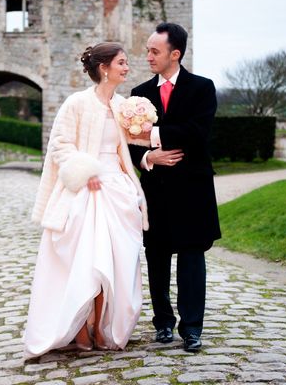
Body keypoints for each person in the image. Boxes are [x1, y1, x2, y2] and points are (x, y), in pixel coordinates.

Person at [24, 42, 149, 359]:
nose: (126, 67)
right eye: (121, 62)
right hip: (86, 190)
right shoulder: (76, 103)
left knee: (117, 260)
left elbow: (134, 140)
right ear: (104, 67)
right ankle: (79, 328)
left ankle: (101, 327)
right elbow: (60, 145)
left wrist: (152, 134)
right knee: (87, 262)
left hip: (118, 189)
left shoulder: (122, 105)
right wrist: (84, 171)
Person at [128, 22, 221, 352]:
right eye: (148, 50)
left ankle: (192, 328)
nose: (148, 56)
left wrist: (152, 135)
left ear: (175, 54)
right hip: (155, 189)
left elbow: (197, 133)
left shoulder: (202, 89)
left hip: (193, 190)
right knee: (156, 256)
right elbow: (129, 144)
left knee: (193, 257)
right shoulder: (138, 94)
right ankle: (163, 323)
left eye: (155, 51)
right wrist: (151, 157)